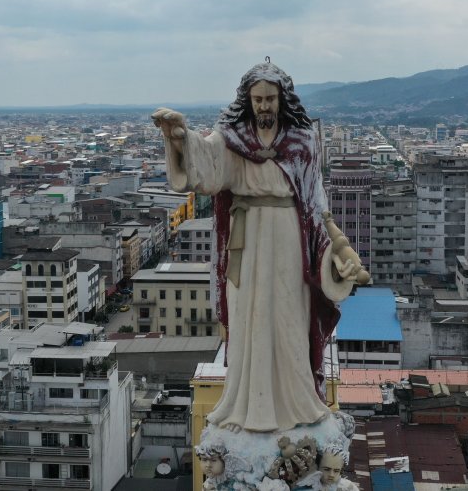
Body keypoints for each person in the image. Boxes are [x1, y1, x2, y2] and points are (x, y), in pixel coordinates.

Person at [152, 60, 363, 433]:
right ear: (247, 101)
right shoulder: (233, 139)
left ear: (282, 99)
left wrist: (334, 249)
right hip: (246, 241)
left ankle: (297, 402)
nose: (264, 106)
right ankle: (247, 405)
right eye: (258, 99)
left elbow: (315, 200)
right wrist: (180, 138)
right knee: (249, 316)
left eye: (270, 98)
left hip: (289, 236)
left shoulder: (303, 142)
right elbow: (207, 165)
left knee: (289, 318)